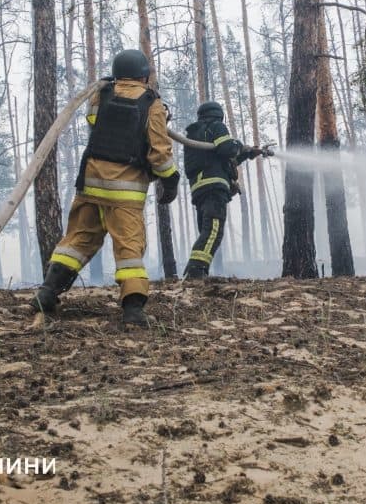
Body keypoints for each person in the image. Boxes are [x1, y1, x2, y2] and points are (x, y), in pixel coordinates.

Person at [31, 49, 180, 327]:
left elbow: (94, 122)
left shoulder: (102, 94)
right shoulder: (152, 103)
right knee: (129, 250)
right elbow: (159, 153)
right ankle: (133, 311)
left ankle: (47, 293)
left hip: (90, 183)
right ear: (144, 75)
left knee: (76, 241)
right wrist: (170, 180)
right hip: (124, 192)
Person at [181, 101, 264, 279]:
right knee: (213, 230)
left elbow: (221, 158)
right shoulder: (216, 126)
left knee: (207, 230)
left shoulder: (195, 135)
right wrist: (239, 145)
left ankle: (199, 270)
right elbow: (227, 149)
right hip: (214, 187)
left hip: (200, 190)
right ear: (219, 115)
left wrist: (248, 153)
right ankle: (195, 270)